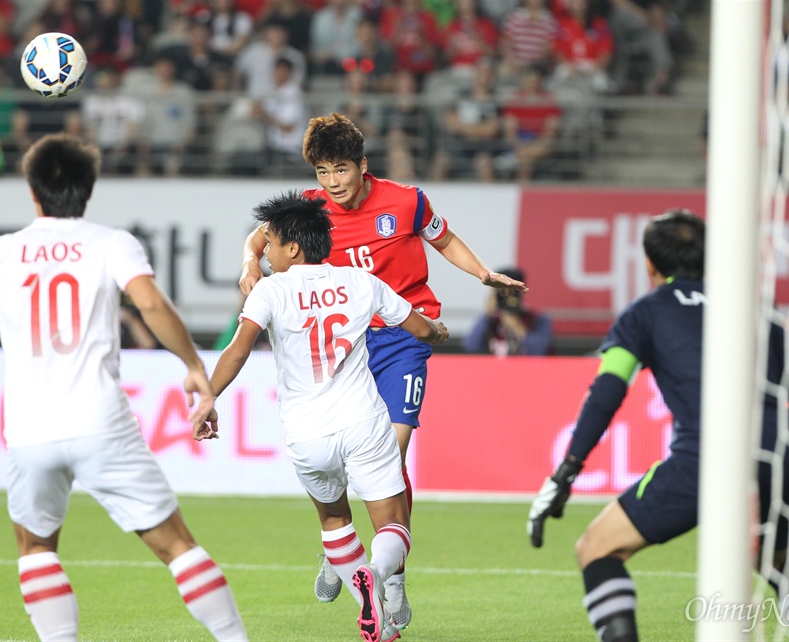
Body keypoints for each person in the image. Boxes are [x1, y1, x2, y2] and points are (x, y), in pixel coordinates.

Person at [0, 134, 248, 642]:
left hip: (28, 430)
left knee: (37, 548)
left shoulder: (1, 252)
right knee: (176, 546)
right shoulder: (110, 243)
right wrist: (192, 363)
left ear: (33, 191)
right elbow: (149, 304)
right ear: (89, 188)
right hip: (99, 421)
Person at [239, 112, 527, 631]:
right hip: (348, 341)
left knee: (390, 455)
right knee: (344, 461)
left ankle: (390, 576)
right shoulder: (309, 209)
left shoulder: (407, 201)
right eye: (323, 172)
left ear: (363, 165)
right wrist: (246, 265)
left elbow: (445, 240)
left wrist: (483, 273)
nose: (333, 183)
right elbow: (258, 240)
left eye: (340, 170)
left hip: (402, 335)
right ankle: (344, 550)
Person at [526, 210, 789, 642]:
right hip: (777, 456)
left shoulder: (645, 313)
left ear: (650, 266)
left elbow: (607, 392)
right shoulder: (756, 313)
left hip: (707, 457)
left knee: (596, 549)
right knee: (773, 559)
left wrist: (566, 471)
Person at [200, 191, 448, 642]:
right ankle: (375, 572)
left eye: (270, 243)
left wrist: (208, 398)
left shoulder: (271, 291)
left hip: (306, 433)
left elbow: (238, 350)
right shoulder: (360, 282)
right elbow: (418, 327)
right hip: (363, 424)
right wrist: (435, 331)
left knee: (334, 522)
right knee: (394, 524)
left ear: (293, 248)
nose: (266, 253)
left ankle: (381, 625)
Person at [463, 267, 553, 356]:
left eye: (511, 291)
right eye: (502, 291)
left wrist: (517, 327)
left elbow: (540, 351)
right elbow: (471, 346)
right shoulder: (491, 320)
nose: (507, 296)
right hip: (493, 369)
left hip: (526, 369)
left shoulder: (537, 318)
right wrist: (488, 313)